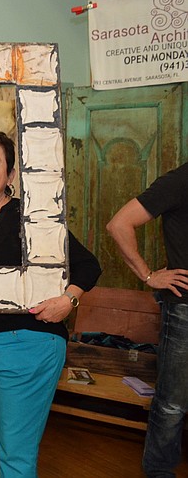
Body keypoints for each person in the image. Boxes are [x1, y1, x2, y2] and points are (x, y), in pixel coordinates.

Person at [0, 129, 101, 478]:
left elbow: (88, 264)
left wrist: (68, 300)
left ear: (10, 174)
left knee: (16, 453)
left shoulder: (31, 218)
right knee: (4, 442)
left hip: (30, 340)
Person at [107, 160, 188, 478]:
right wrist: (148, 274)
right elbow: (119, 224)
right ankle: (159, 472)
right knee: (172, 404)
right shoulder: (182, 179)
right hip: (185, 311)